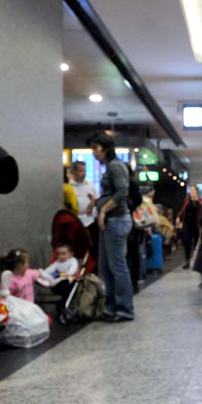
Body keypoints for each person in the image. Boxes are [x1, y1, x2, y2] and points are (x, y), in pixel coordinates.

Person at [88, 131, 134, 322]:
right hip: (110, 221)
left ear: (105, 148)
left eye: (96, 149)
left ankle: (124, 309)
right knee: (106, 267)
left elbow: (122, 193)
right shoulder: (110, 167)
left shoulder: (116, 166)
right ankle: (111, 307)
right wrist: (97, 203)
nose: (94, 153)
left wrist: (104, 209)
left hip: (117, 220)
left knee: (117, 266)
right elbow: (113, 193)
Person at [68, 160, 98, 248]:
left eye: (85, 171)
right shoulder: (69, 186)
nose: (84, 173)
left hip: (91, 221)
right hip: (76, 221)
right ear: (73, 172)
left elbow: (96, 199)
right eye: (81, 171)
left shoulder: (90, 184)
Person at [176, 185, 202, 269]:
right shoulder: (187, 201)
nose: (192, 192)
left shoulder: (200, 201)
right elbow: (183, 210)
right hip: (187, 224)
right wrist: (178, 217)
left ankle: (196, 261)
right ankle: (187, 260)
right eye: (191, 190)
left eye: (193, 190)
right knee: (187, 242)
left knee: (196, 242)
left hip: (196, 225)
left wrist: (197, 200)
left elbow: (201, 209)